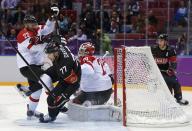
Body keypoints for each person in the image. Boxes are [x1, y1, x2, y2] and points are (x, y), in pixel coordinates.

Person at [15, 6, 59, 119]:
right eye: (32, 24)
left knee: (38, 90)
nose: (35, 26)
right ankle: (55, 102)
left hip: (36, 64)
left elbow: (48, 29)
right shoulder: (23, 35)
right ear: (26, 25)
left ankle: (30, 111)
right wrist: (48, 44)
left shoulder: (37, 28)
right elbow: (34, 48)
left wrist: (52, 18)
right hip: (27, 65)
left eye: (35, 23)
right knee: (46, 78)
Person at [67, 42, 121, 122]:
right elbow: (111, 79)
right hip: (103, 93)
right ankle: (111, 100)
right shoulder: (101, 61)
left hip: (96, 93)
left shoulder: (87, 59)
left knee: (85, 104)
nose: (80, 53)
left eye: (82, 51)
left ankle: (105, 104)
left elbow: (89, 70)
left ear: (87, 52)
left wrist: (74, 71)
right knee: (76, 101)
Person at [39, 35, 81, 123]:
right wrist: (45, 38)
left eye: (49, 54)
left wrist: (64, 96)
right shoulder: (60, 46)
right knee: (43, 76)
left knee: (51, 100)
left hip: (70, 79)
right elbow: (57, 37)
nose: (48, 57)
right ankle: (54, 96)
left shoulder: (64, 67)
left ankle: (51, 116)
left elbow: (74, 84)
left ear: (55, 53)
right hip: (60, 68)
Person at [151, 34, 189, 105]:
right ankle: (169, 99)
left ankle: (179, 98)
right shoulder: (153, 49)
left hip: (167, 70)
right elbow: (148, 60)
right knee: (168, 82)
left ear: (165, 41)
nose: (159, 42)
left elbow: (173, 62)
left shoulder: (170, 50)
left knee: (176, 82)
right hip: (157, 72)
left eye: (161, 40)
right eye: (159, 40)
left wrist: (171, 69)